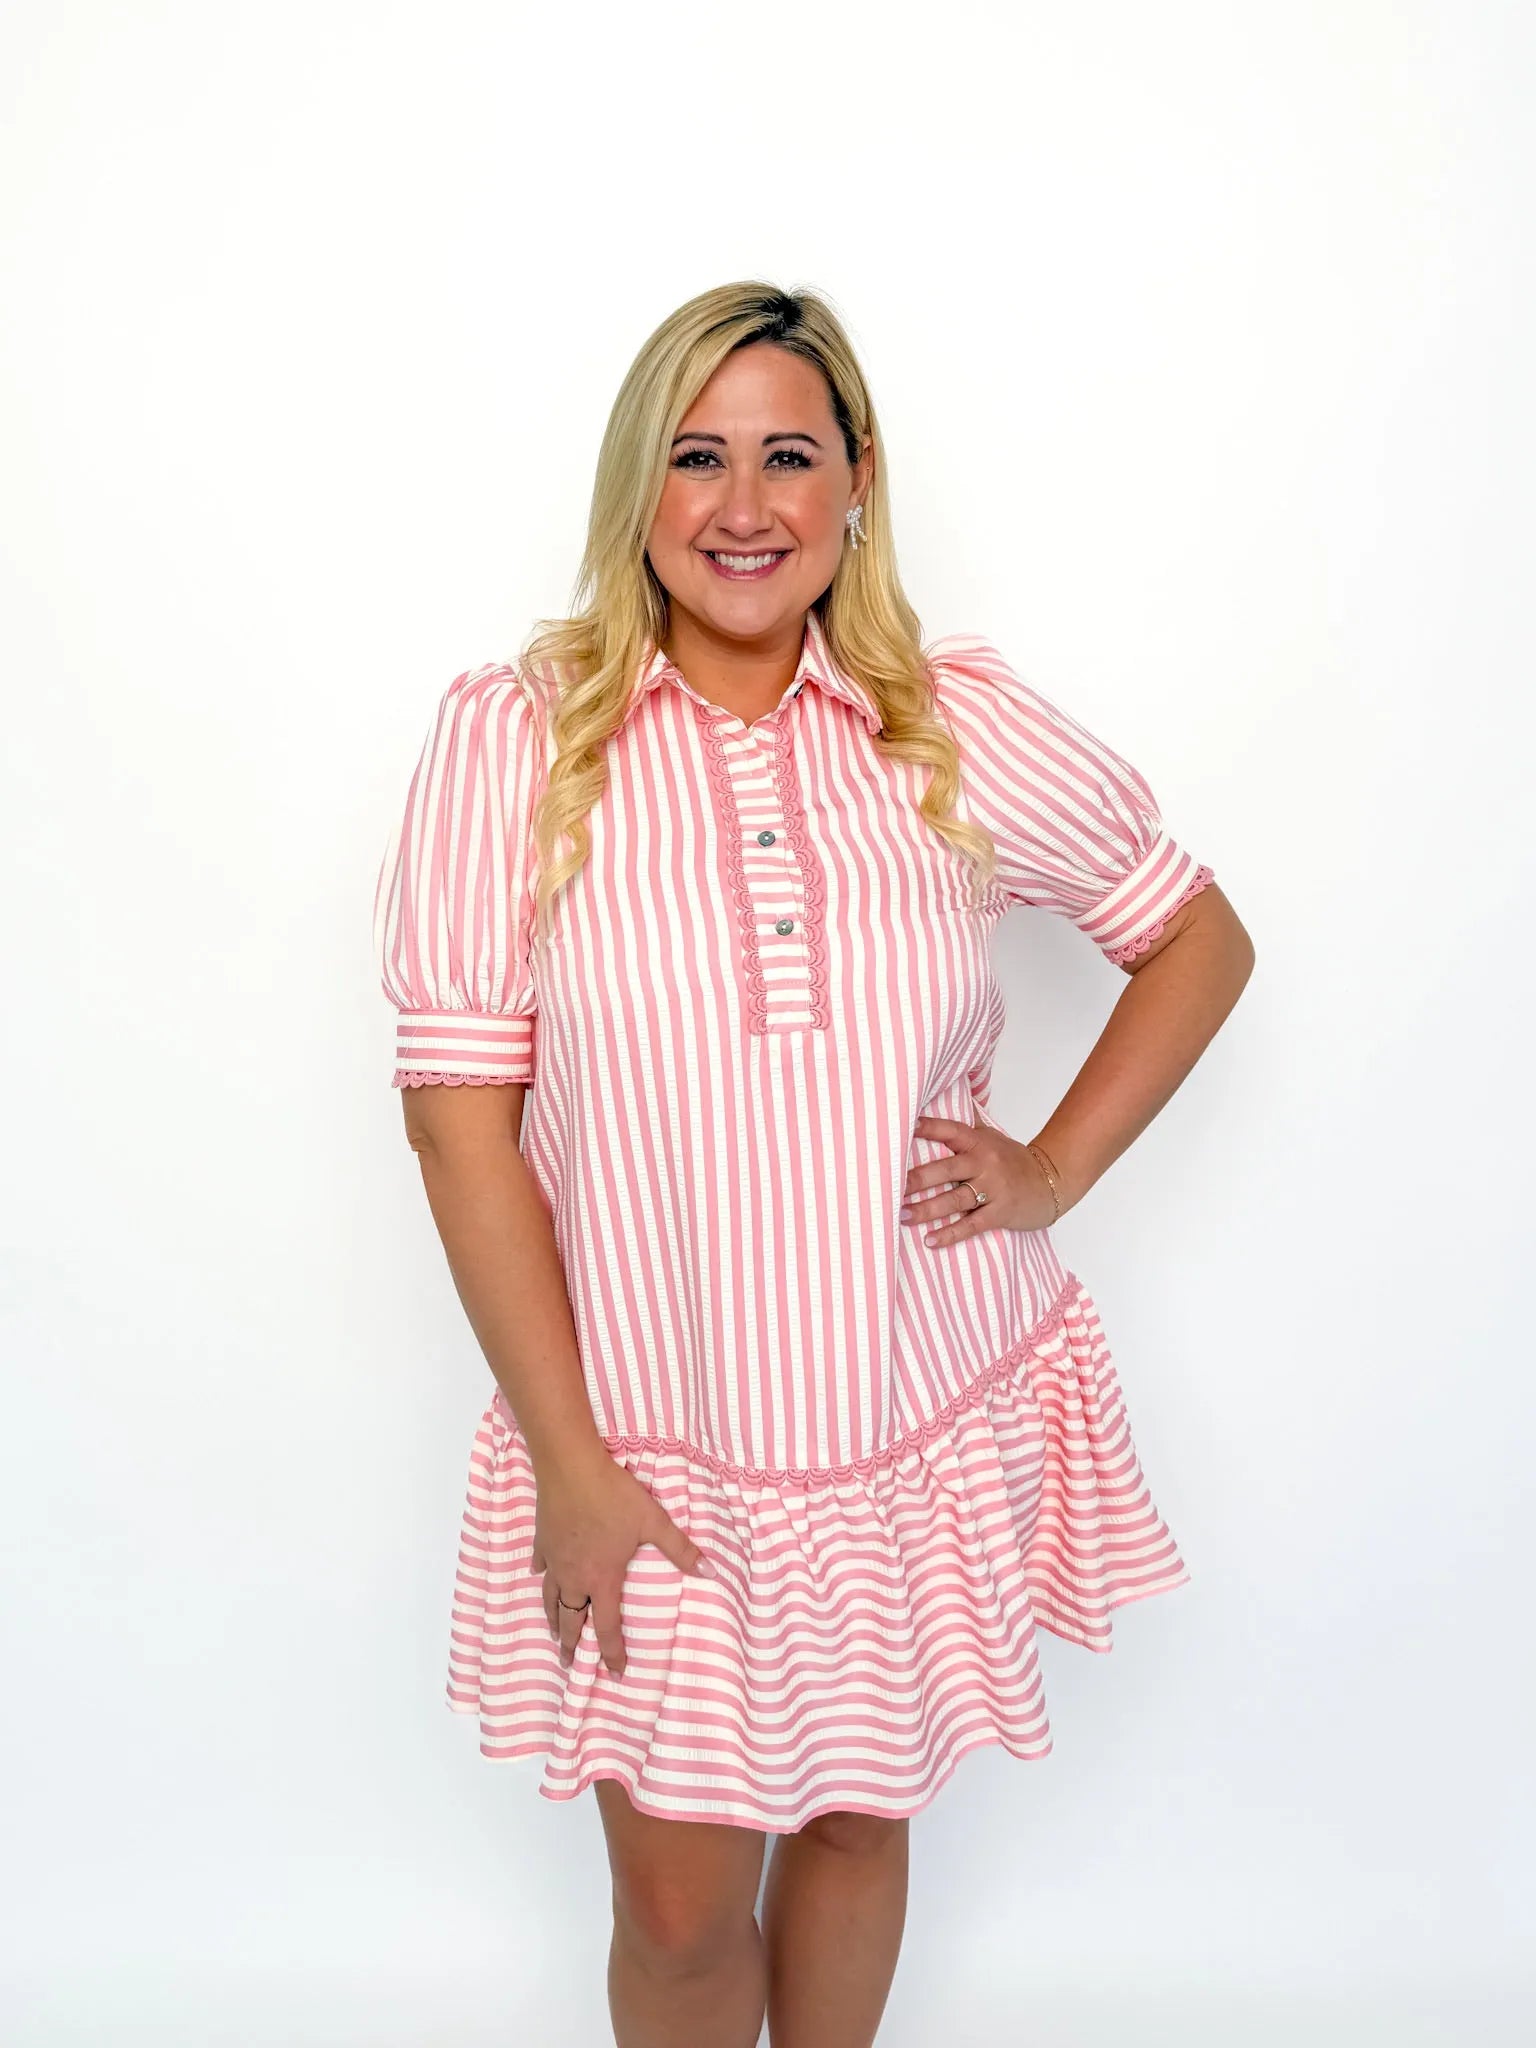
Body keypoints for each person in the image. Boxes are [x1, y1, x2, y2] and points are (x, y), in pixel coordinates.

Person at [373, 280, 1255, 2048]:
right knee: (677, 1902)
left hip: (904, 1402)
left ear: (859, 479)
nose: (745, 505)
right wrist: (571, 1464)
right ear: (638, 483)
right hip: (652, 1430)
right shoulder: (517, 740)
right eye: (697, 456)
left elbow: (1198, 939)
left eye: (789, 455)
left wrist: (1049, 1171)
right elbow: (457, 1125)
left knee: (860, 1814)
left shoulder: (952, 725)